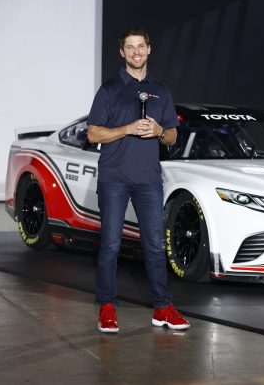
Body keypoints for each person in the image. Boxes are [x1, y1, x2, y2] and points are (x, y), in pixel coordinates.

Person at [87, 28, 190, 333]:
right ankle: (107, 307)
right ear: (122, 53)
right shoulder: (109, 90)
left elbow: (172, 135)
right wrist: (127, 128)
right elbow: (93, 134)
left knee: (156, 247)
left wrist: (159, 130)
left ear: (149, 49)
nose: (135, 52)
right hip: (114, 178)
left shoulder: (161, 90)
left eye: (140, 46)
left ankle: (163, 308)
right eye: (129, 48)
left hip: (148, 180)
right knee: (111, 244)